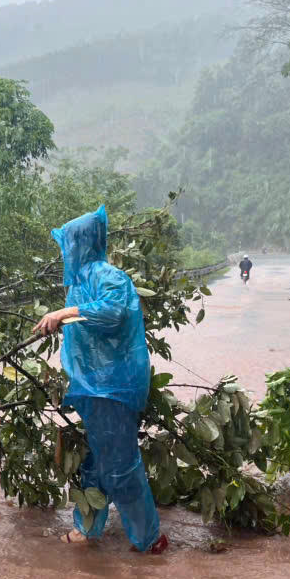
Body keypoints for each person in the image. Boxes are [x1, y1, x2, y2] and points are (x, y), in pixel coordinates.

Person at [34, 205, 168, 554]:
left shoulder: (108, 275)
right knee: (96, 460)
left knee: (120, 465)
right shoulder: (80, 282)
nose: (66, 252)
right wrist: (61, 320)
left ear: (81, 242)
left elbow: (113, 312)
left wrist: (64, 312)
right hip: (94, 385)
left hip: (114, 387)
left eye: (69, 243)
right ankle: (88, 529)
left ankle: (150, 539)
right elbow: (86, 327)